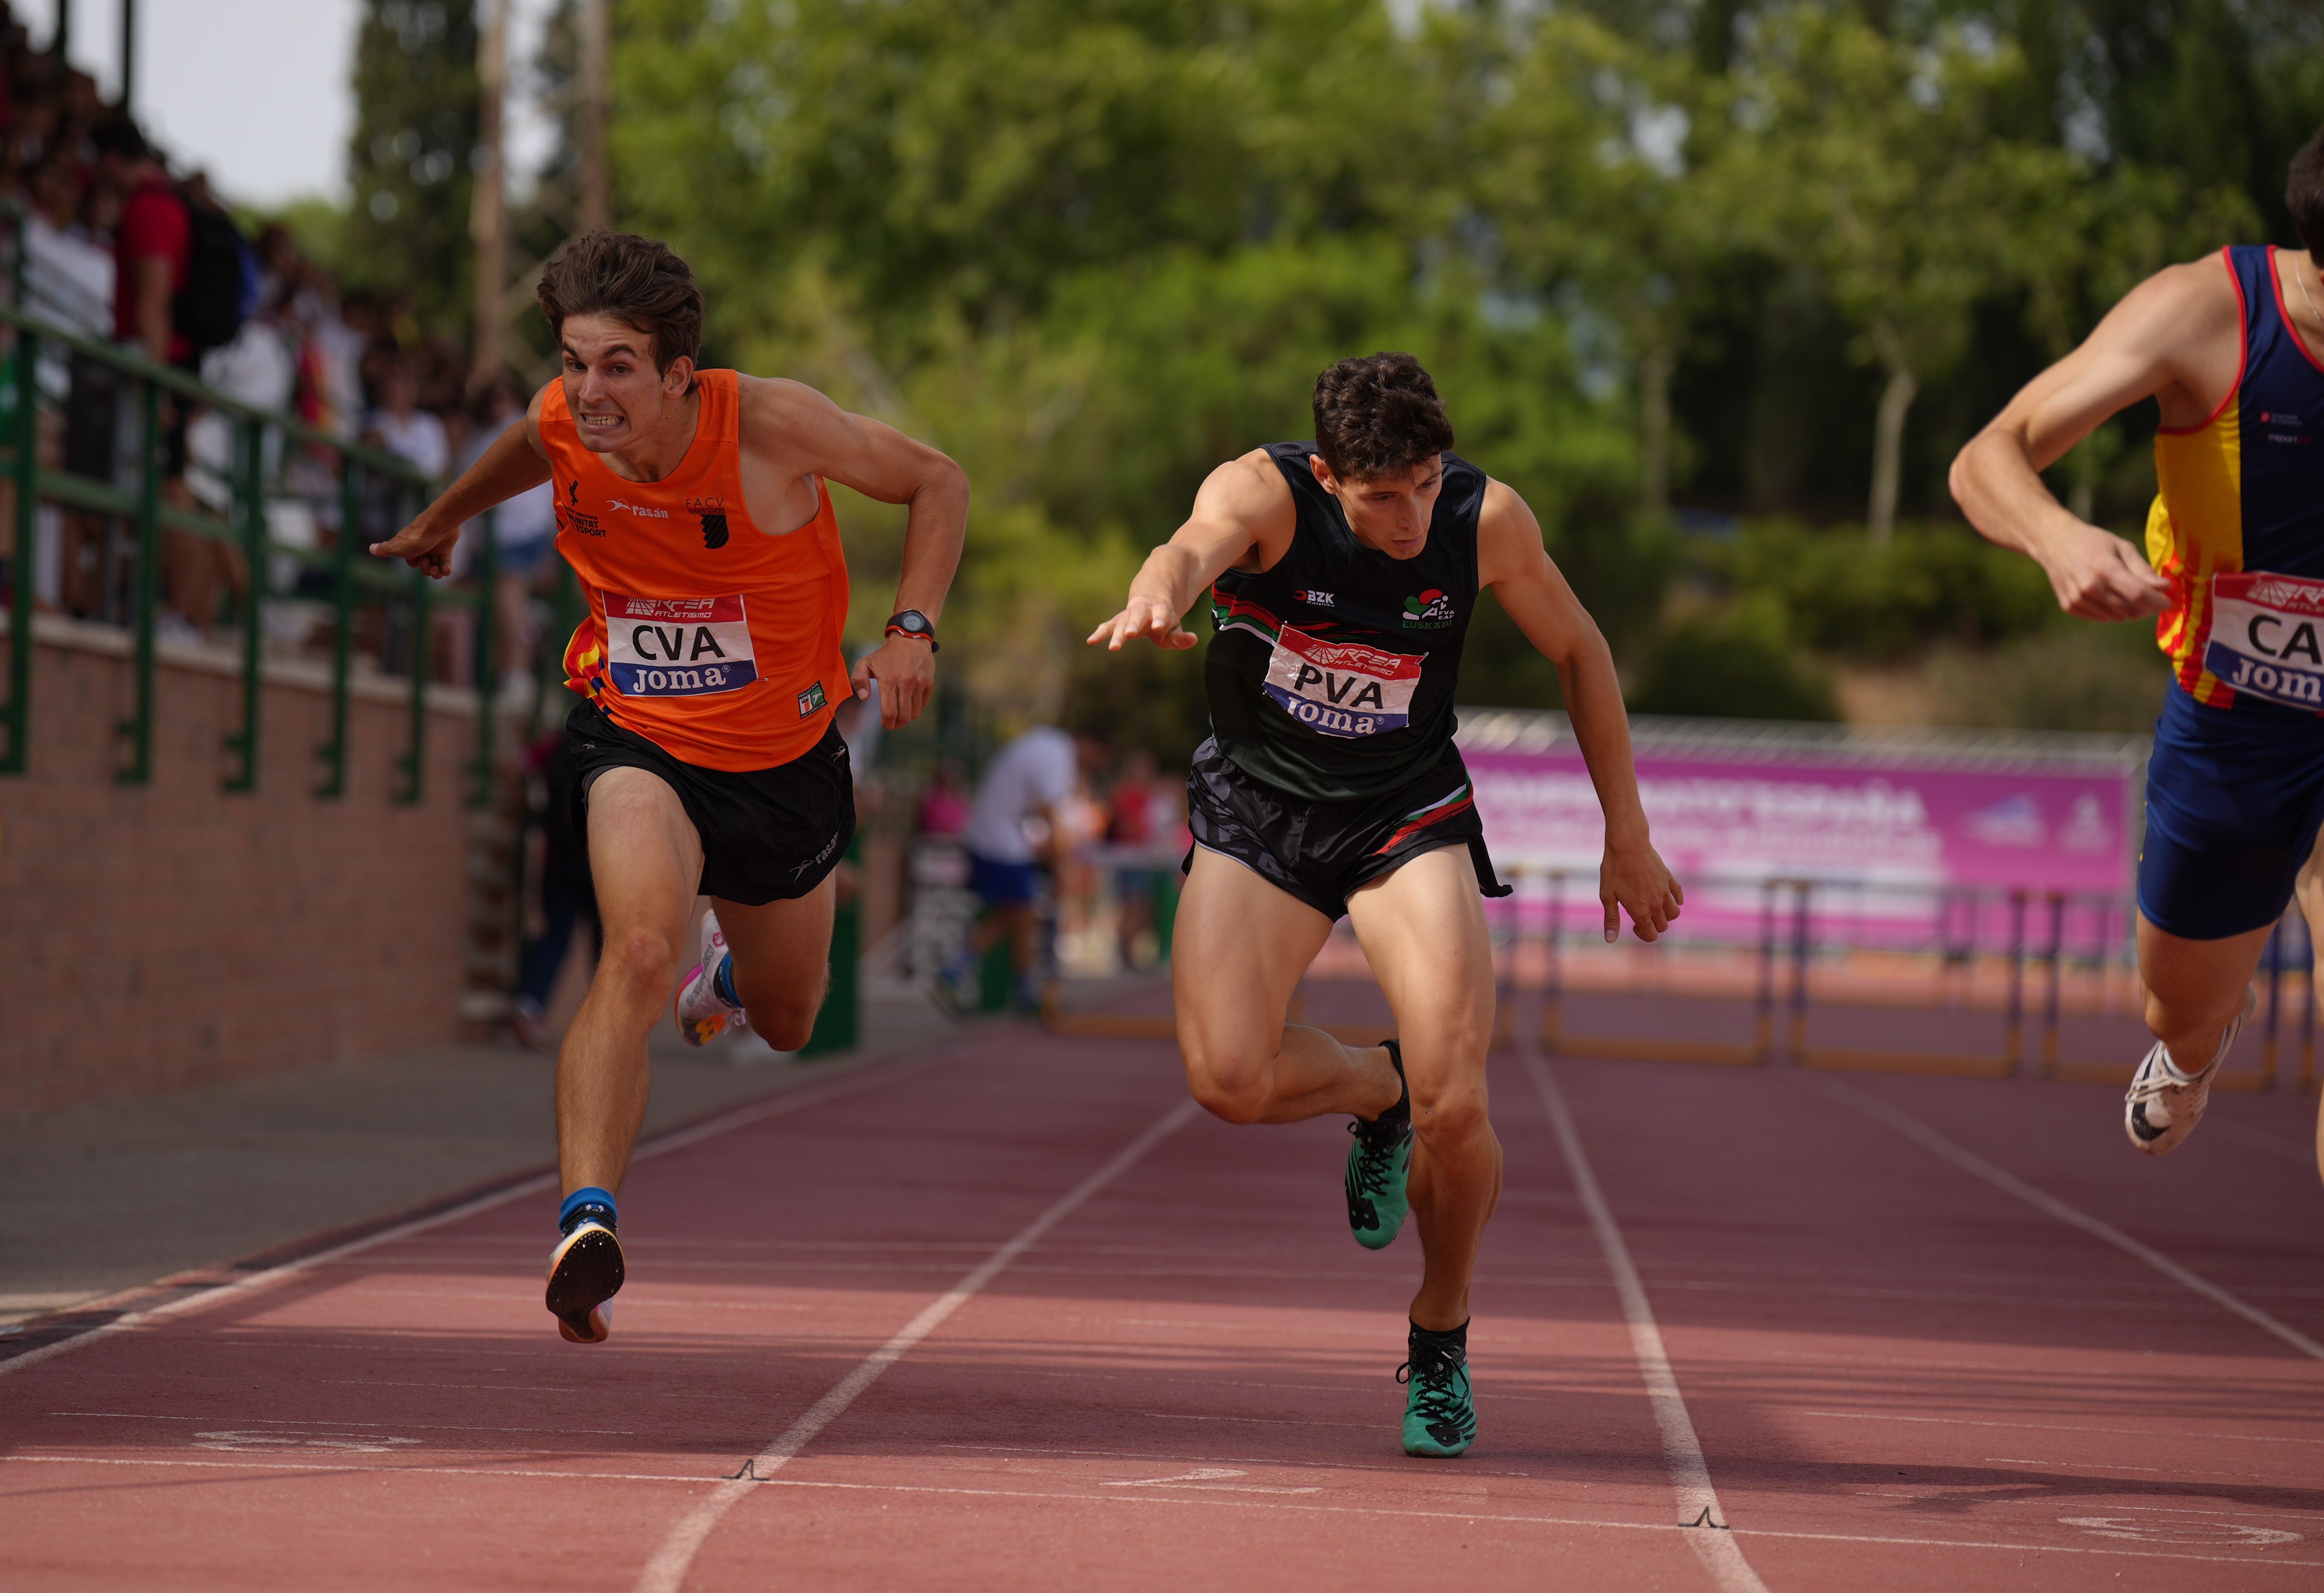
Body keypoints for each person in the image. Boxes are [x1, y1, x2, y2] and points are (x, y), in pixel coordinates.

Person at [371, 230, 968, 1344]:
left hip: (784, 766)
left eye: (616, 368)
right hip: (634, 736)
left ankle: (729, 976)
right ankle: (584, 1223)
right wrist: (445, 518)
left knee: (789, 1018)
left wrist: (910, 629)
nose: (586, 394)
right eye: (572, 361)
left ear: (679, 374)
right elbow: (527, 443)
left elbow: (937, 480)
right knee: (636, 947)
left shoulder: (771, 426)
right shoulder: (566, 421)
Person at [1086, 352, 1682, 1457]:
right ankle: (1375, 1086)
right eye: (1379, 497)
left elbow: (1581, 650)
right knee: (1226, 1079)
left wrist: (1627, 833)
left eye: (1423, 483)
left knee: (1462, 1104)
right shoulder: (1265, 497)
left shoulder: (1483, 520)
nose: (1409, 517)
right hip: (1263, 809)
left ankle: (1440, 1329)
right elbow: (1189, 545)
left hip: (1403, 811)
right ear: (1327, 476)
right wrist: (1156, 592)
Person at [1952, 125, 2324, 1178]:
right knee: (2181, 1002)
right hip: (2233, 725)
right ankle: (2196, 1046)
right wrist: (2059, 536)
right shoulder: (2207, 311)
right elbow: (1989, 455)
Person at [940, 724, 1110, 1012]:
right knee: (1023, 916)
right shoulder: (1059, 758)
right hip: (998, 840)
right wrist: (1062, 870)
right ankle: (1021, 991)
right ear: (1089, 744)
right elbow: (1052, 820)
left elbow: (1042, 817)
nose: (1098, 766)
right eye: (1100, 757)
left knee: (1015, 917)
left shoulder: (1051, 747)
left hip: (996, 835)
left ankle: (966, 970)